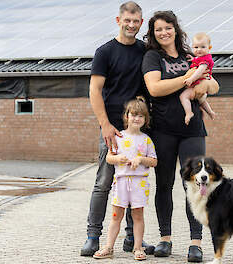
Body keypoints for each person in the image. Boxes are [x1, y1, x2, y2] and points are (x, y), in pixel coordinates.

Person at [141, 10, 219, 263]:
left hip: (193, 130)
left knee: (197, 184)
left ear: (176, 29)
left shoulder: (190, 55)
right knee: (164, 184)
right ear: (153, 34)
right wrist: (188, 78)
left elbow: (213, 84)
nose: (164, 32)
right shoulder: (152, 56)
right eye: (158, 29)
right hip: (163, 130)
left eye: (168, 27)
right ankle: (165, 238)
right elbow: (155, 88)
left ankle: (196, 242)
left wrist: (205, 85)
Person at [80, 1, 155, 257]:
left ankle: (133, 239)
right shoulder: (105, 52)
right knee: (103, 182)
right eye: (127, 20)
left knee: (135, 182)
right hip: (112, 129)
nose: (132, 25)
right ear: (118, 20)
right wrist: (105, 125)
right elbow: (94, 91)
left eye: (136, 21)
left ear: (141, 23)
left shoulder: (145, 51)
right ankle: (93, 236)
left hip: (138, 130)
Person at [93, 97, 157, 261]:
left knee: (138, 216)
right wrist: (118, 159)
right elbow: (109, 158)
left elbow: (154, 161)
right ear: (126, 116)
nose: (136, 118)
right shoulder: (118, 137)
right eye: (133, 115)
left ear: (145, 119)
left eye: (140, 116)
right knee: (116, 215)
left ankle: (137, 247)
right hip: (121, 182)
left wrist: (141, 160)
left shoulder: (146, 140)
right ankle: (108, 247)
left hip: (139, 183)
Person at [181, 32, 219, 125]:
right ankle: (210, 112)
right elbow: (198, 61)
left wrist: (191, 79)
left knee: (183, 96)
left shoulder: (206, 60)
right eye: (196, 47)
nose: (199, 50)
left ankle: (189, 113)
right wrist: (193, 59)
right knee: (202, 100)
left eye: (202, 47)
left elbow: (200, 71)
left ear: (209, 48)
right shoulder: (202, 58)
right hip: (200, 87)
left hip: (198, 85)